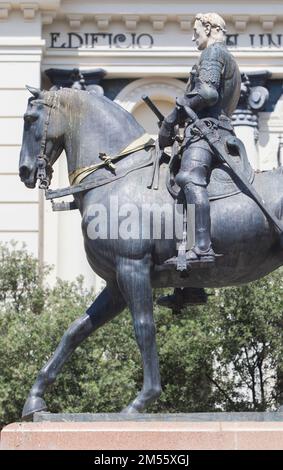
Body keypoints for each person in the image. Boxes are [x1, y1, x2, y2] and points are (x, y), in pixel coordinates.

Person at [159, 12, 241, 266]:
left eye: (196, 31)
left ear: (210, 28)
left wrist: (174, 115)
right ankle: (187, 286)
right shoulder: (226, 57)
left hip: (208, 132)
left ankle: (203, 247)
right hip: (215, 129)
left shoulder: (213, 53)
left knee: (189, 177)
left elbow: (207, 93)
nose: (193, 36)